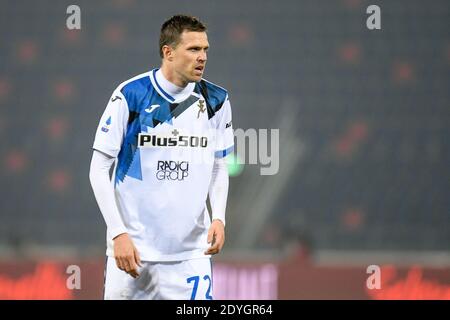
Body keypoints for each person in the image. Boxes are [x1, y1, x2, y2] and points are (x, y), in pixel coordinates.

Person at [89, 14, 234, 300]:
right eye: (193, 49)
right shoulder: (130, 95)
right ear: (168, 52)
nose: (202, 57)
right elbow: (98, 169)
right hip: (133, 252)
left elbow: (219, 164)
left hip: (192, 254)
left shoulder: (217, 100)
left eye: (205, 49)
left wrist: (219, 217)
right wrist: (118, 234)